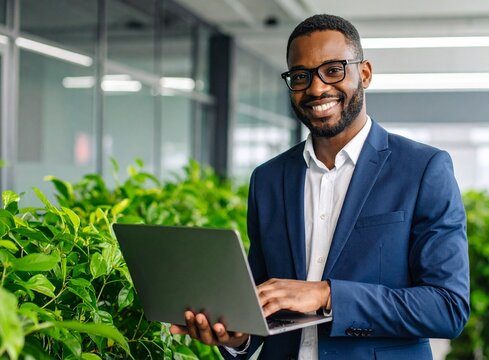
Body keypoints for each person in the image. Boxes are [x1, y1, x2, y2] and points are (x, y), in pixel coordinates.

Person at [170, 14, 470, 360]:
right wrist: (234, 336)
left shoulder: (422, 169)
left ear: (365, 74)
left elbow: (447, 308)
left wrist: (327, 295)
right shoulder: (268, 179)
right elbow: (261, 305)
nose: (316, 88)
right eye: (301, 76)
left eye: (333, 70)